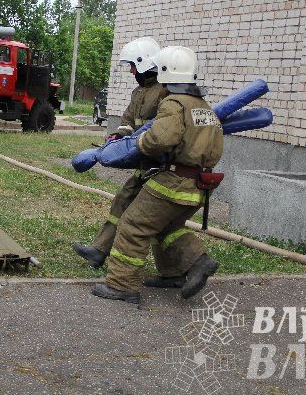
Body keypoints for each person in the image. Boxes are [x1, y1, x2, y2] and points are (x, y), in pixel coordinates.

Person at [91, 46, 223, 305]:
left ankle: (122, 285)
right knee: (167, 227)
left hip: (172, 181)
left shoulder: (173, 103)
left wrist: (136, 145)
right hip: (199, 184)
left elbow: (160, 139)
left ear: (165, 71)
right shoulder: (203, 106)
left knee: (133, 225)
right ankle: (182, 269)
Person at [72, 37, 167, 267]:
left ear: (144, 64)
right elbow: (128, 122)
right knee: (122, 200)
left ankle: (182, 266)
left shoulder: (164, 91)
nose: (132, 70)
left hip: (160, 165)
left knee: (152, 220)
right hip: (146, 163)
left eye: (133, 65)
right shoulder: (138, 93)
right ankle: (99, 250)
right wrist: (117, 136)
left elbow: (163, 129)